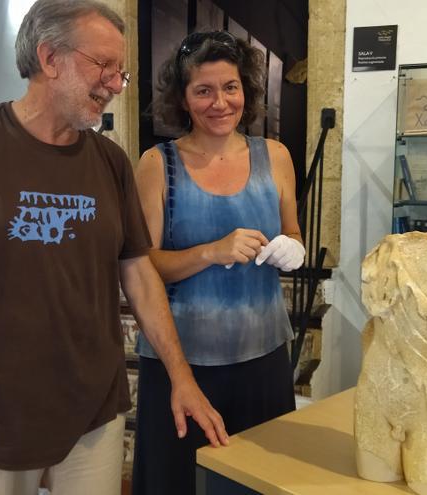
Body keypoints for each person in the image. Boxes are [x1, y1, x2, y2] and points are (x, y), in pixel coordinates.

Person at [0, 2, 227, 494]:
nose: (115, 84)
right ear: (50, 59)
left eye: (121, 71)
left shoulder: (110, 162)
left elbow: (138, 272)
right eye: (103, 66)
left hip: (92, 411)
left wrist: (181, 375)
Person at [132, 30, 305, 495]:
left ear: (245, 91)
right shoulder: (157, 164)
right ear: (183, 99)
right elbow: (143, 266)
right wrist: (212, 251)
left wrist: (294, 248)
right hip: (182, 364)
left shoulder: (276, 156)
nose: (220, 102)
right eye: (203, 90)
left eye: (230, 87)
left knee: (258, 482)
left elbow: (293, 232)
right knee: (178, 484)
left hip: (264, 357)